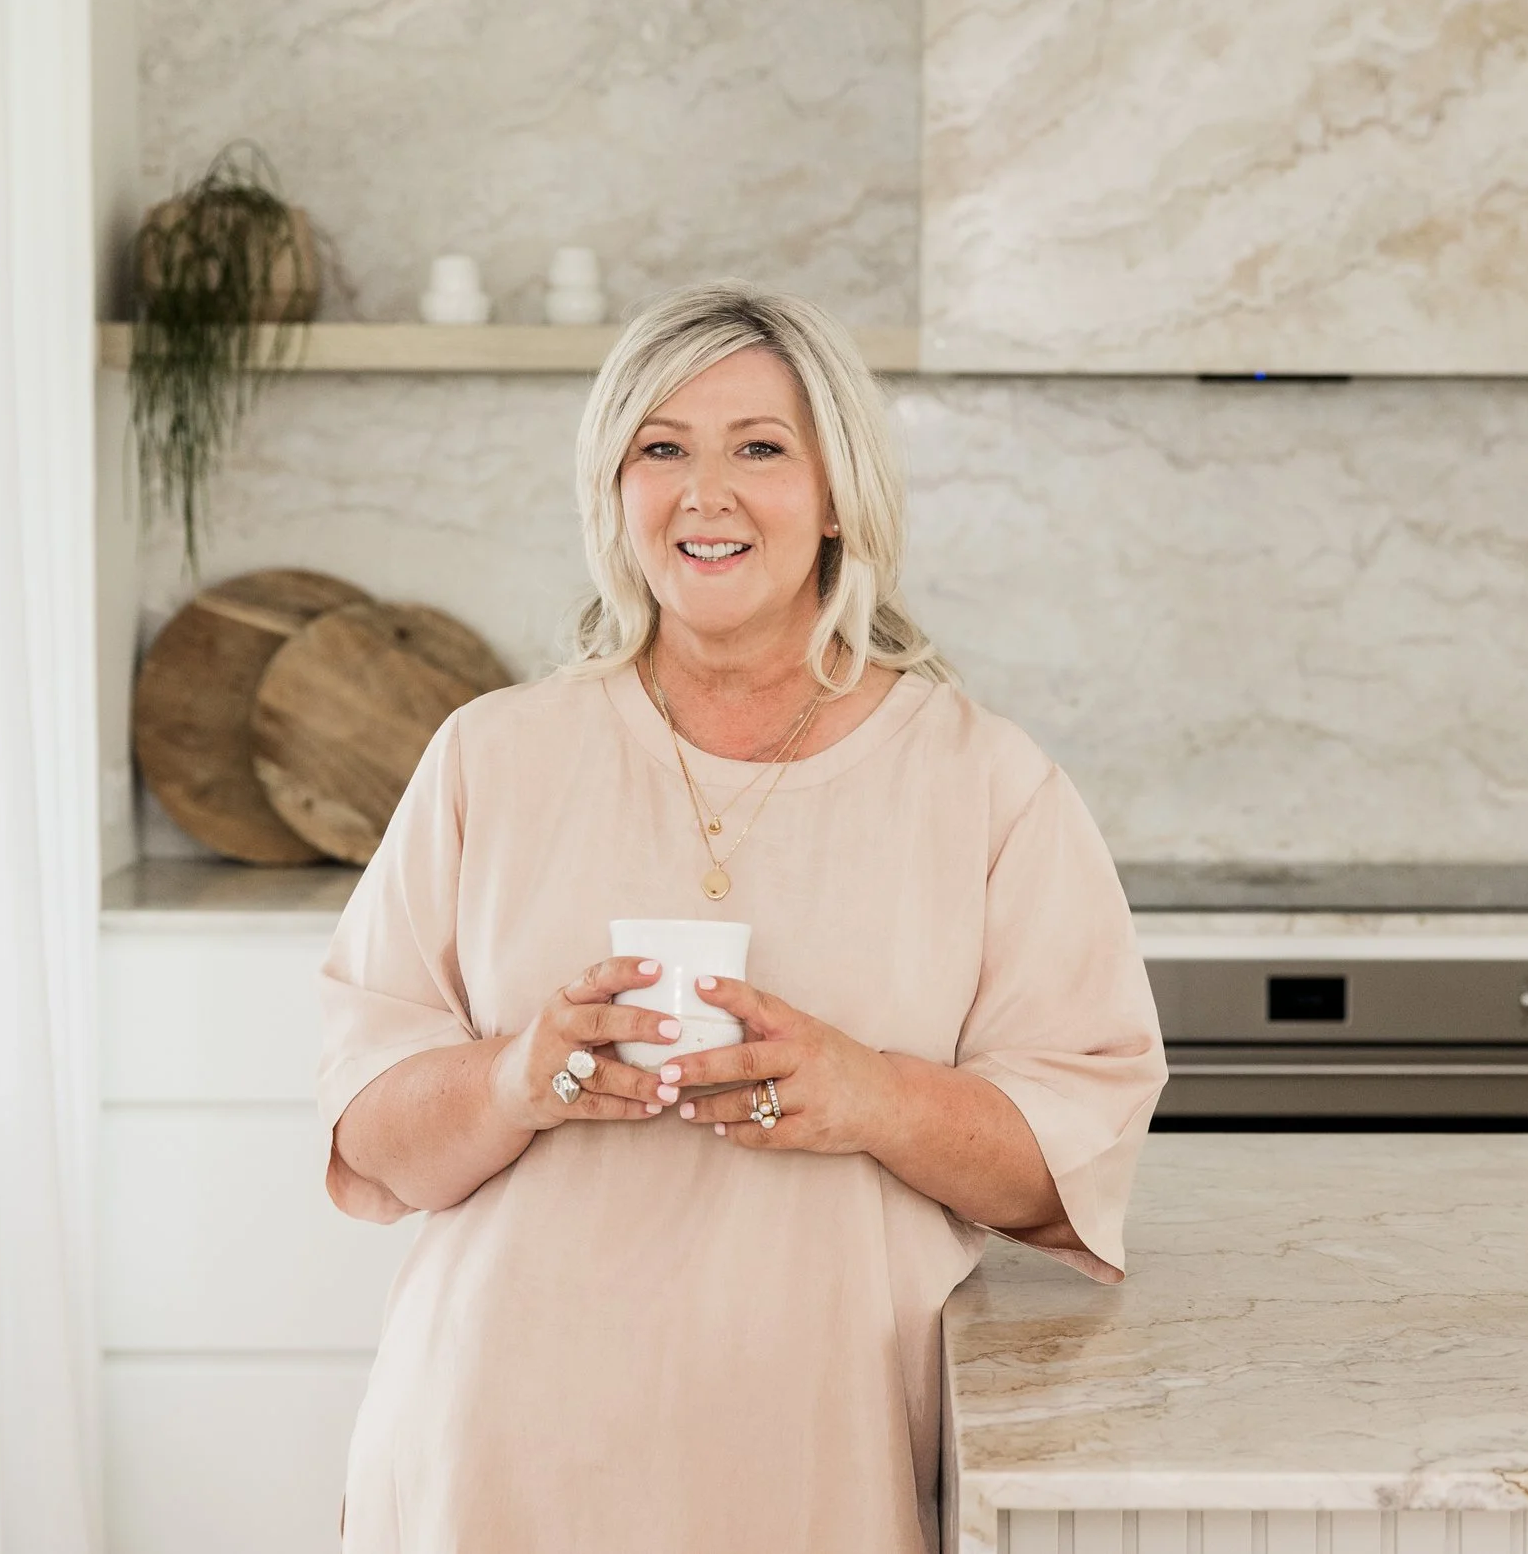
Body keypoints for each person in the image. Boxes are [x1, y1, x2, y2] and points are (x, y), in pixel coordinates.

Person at [316, 279, 1166, 1553]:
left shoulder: (983, 780)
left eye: (759, 449)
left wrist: (871, 1093)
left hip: (815, 1464)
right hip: (497, 1452)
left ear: (835, 496)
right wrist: (513, 1078)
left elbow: (1074, 1158)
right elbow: (370, 1137)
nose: (703, 494)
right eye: (661, 449)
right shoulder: (490, 756)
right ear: (615, 489)